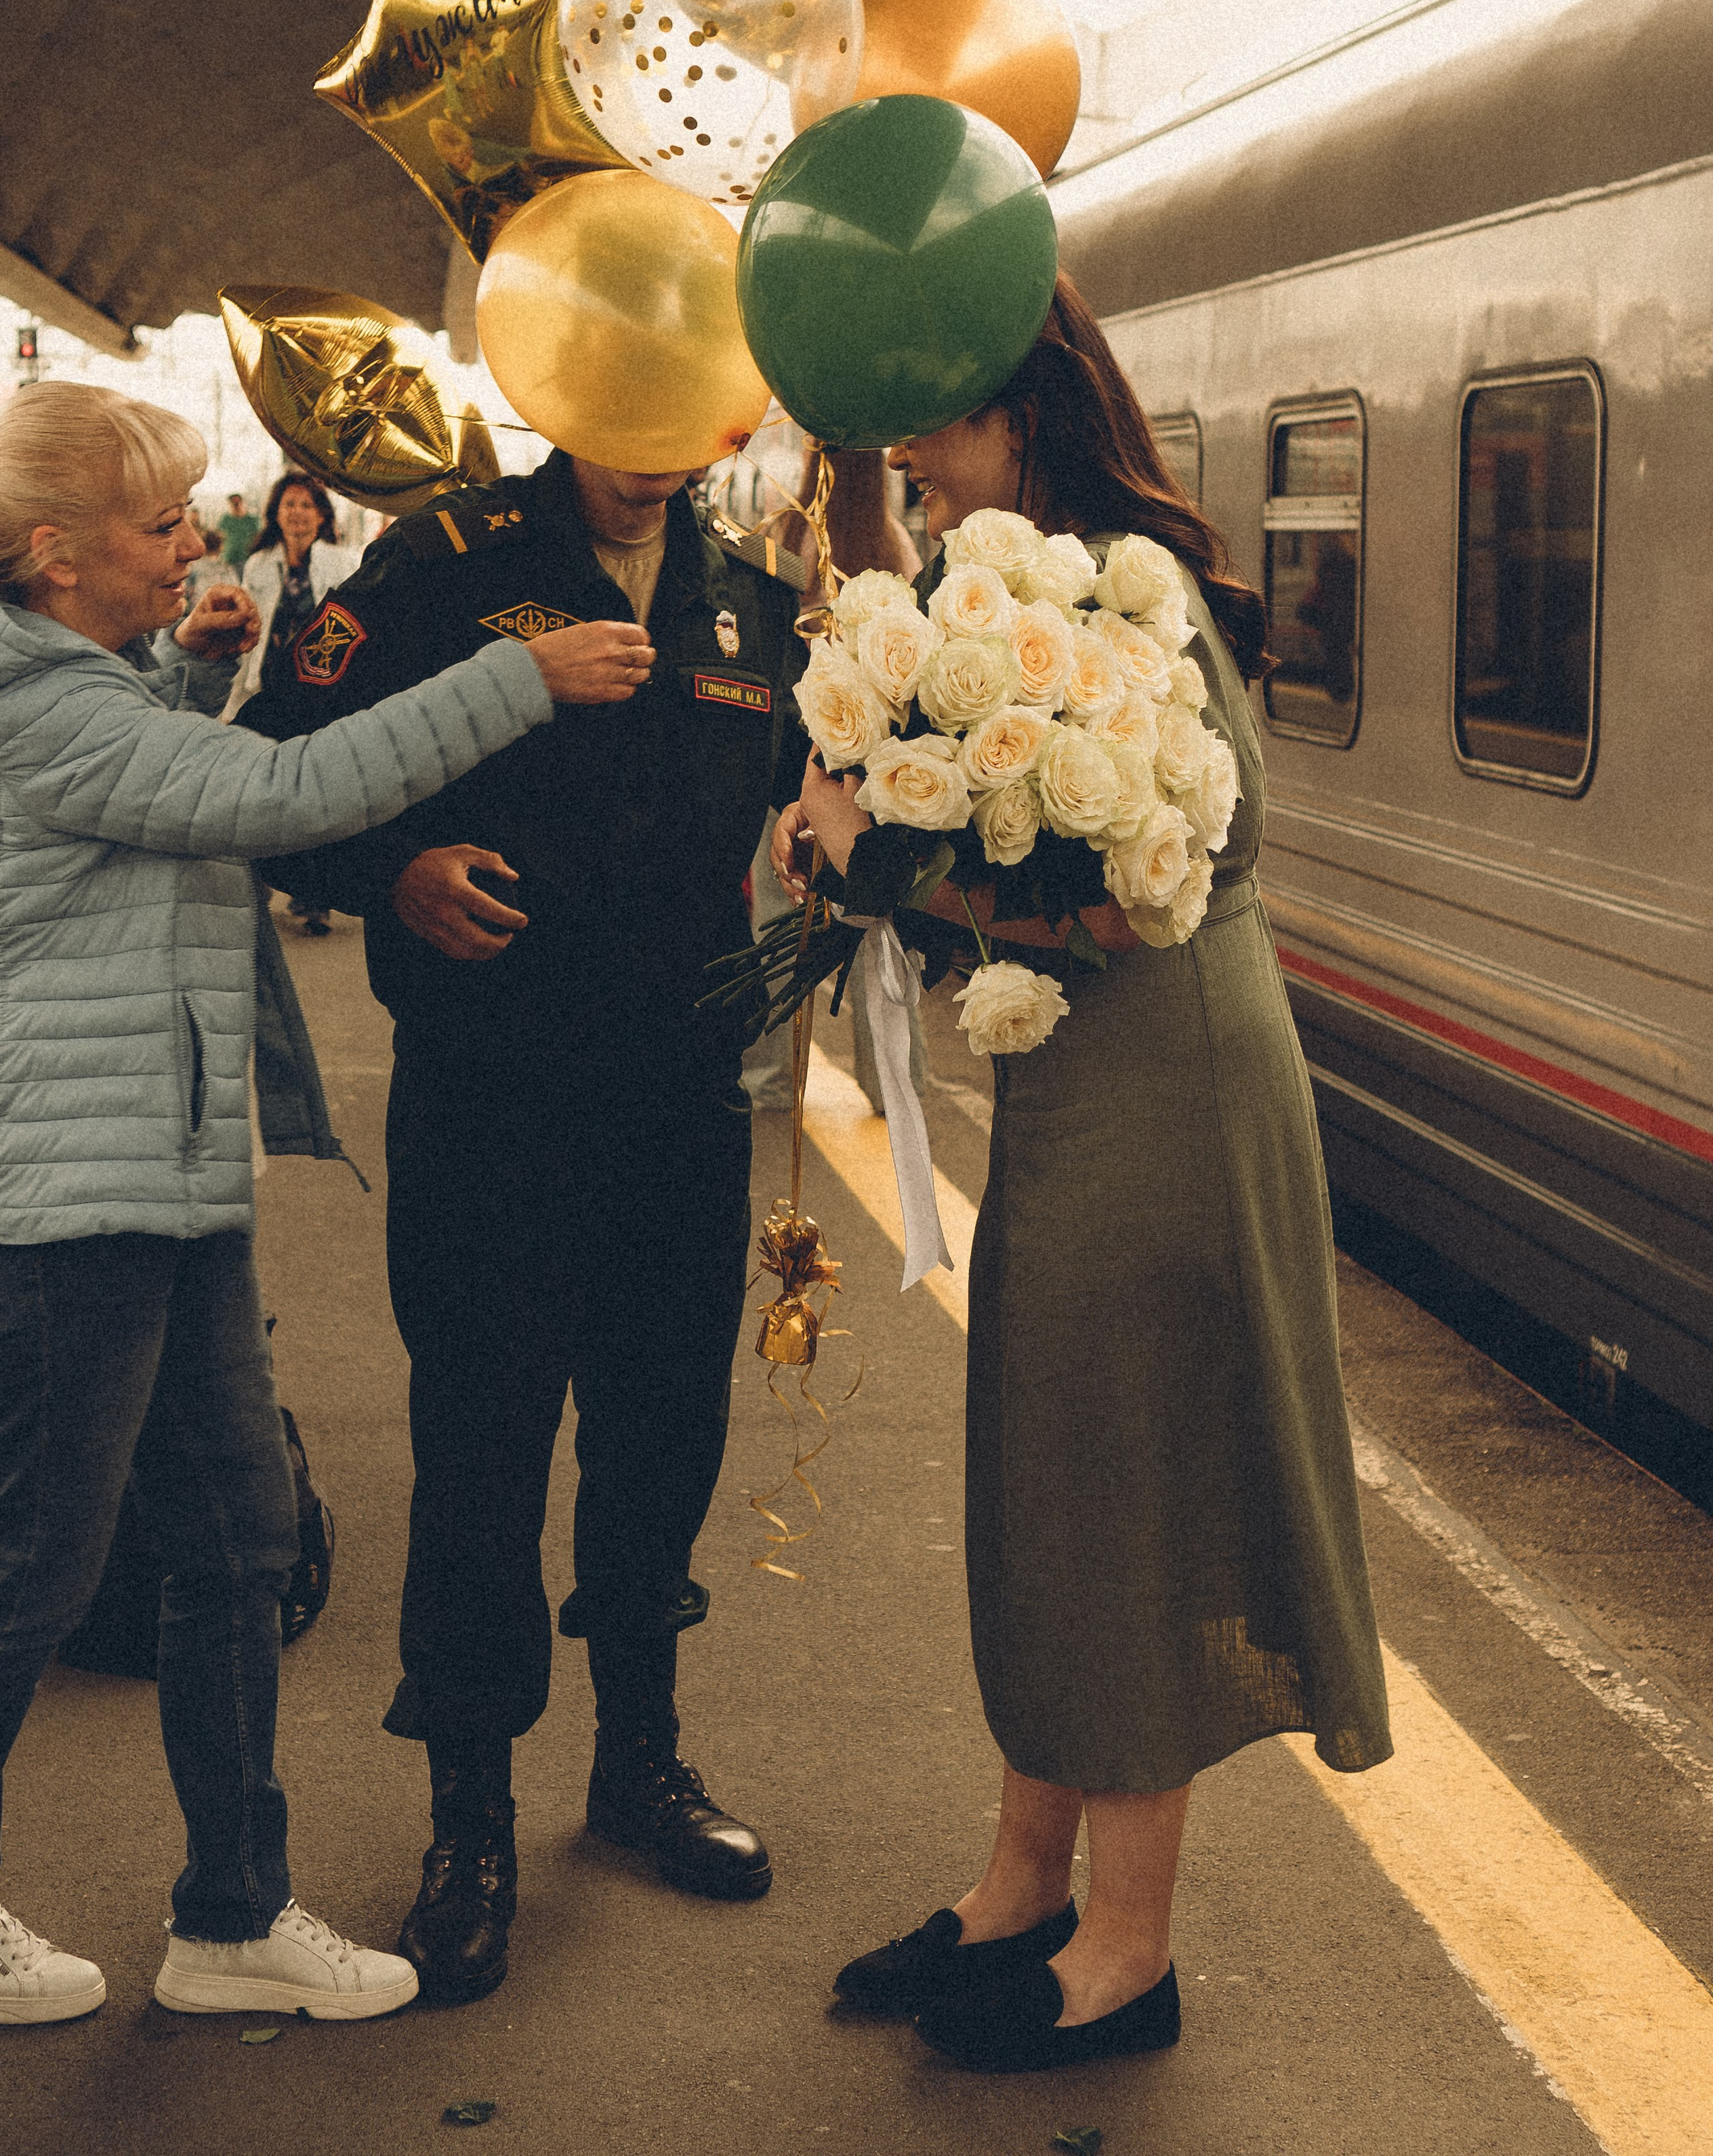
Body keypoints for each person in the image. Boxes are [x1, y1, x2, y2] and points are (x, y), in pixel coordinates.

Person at [774, 276, 1392, 2073]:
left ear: (1020, 416)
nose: (924, 480)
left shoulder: (1134, 594)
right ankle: (1018, 1887)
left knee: (1127, 1483)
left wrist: (875, 860)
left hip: (1168, 1090)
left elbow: (1148, 889)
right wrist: (873, 811)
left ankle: (1126, 1951)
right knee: (1058, 1468)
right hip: (1088, 1084)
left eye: (936, 443)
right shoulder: (1037, 576)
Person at [0, 381, 653, 2026]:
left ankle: (230, 1913)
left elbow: (156, 786)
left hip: (170, 1169)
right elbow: (277, 801)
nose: (194, 541)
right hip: (77, 1200)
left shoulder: (77, 676)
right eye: (162, 524)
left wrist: (201, 664)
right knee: (40, 1564)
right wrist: (518, 676)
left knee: (239, 1538)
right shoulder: (36, 707)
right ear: (55, 552)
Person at [239, 444, 810, 2007]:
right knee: (484, 1452)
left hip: (682, 1108)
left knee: (659, 1442)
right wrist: (387, 867)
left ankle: (637, 1765)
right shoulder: (437, 561)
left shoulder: (749, 600)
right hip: (493, 1097)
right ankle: (468, 1823)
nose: (655, 456)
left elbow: (801, 794)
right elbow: (273, 777)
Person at [741, 447, 925, 1114]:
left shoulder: (778, 534)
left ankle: (767, 1083)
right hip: (860, 777)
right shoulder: (892, 543)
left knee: (774, 927)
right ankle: (896, 1084)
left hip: (787, 771)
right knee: (882, 929)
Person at [232, 476, 365, 933]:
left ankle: (314, 896)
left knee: (315, 792)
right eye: (289, 504)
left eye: (307, 505)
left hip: (320, 696)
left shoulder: (343, 562)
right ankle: (258, 883)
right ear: (276, 513)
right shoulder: (257, 565)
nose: (298, 513)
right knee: (262, 791)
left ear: (323, 515)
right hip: (267, 690)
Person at [215, 490, 258, 575]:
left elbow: (258, 538)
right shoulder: (225, 520)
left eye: (238, 503)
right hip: (228, 560)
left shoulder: (252, 520)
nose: (236, 506)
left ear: (243, 503)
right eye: (233, 504)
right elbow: (219, 538)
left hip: (247, 560)